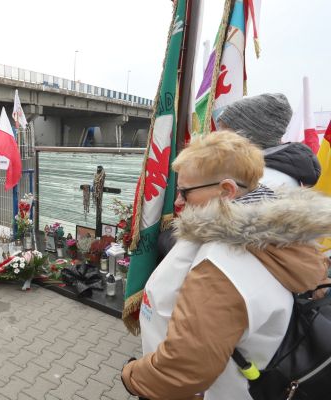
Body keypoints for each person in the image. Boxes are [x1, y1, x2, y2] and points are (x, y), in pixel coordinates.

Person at [121, 131, 331, 399]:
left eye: (185, 193)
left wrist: (131, 376)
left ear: (227, 191)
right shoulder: (282, 237)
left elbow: (184, 369)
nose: (177, 202)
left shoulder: (223, 263)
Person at [217, 92, 321, 188]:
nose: (217, 138)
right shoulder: (252, 172)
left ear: (253, 136)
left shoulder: (265, 183)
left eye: (226, 132)